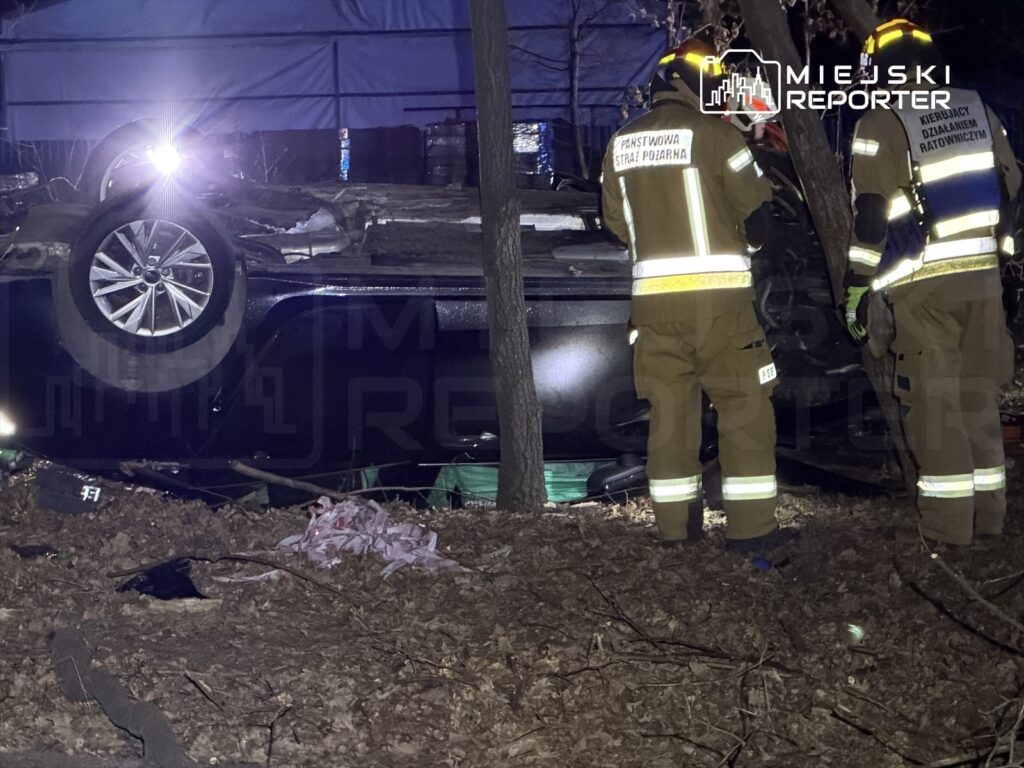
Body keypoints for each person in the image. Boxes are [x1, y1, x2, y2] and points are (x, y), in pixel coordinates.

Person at [601, 38, 789, 552]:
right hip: (721, 308)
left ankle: (675, 531)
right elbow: (759, 221)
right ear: (701, 87)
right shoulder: (718, 138)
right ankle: (752, 532)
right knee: (745, 408)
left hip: (653, 311)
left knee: (669, 419)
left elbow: (618, 224)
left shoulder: (621, 144)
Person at [844, 19, 1020, 545]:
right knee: (978, 405)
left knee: (937, 413)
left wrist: (857, 285)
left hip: (924, 288)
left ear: (881, 70)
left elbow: (871, 216)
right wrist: (1001, 257)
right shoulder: (976, 107)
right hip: (984, 283)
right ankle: (989, 522)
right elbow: (1012, 189)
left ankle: (948, 535)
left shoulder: (882, 121)